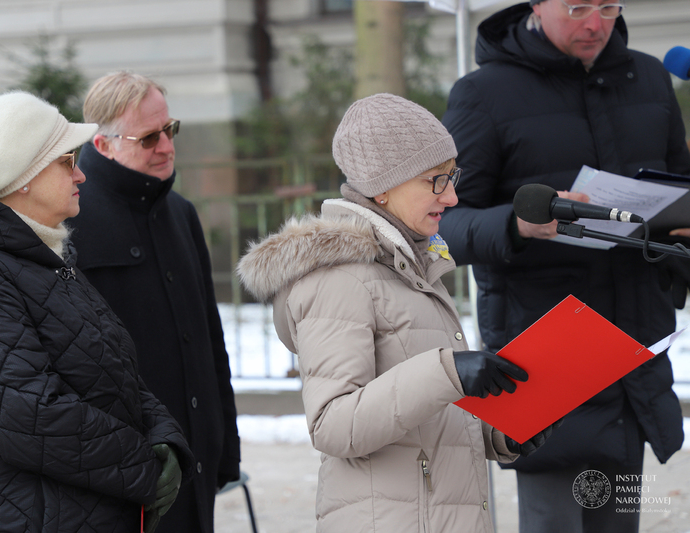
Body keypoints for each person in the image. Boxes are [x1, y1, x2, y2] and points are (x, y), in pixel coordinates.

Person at [237, 93, 558, 533]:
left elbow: (420, 415)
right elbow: (334, 425)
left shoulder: (410, 265)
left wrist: (499, 433)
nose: (453, 196)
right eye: (435, 180)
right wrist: (448, 371)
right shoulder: (339, 279)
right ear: (382, 187)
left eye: (452, 176)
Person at [438, 1, 690, 531]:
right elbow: (442, 227)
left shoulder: (647, 77)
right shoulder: (482, 94)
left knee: (619, 523)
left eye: (607, 6)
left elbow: (677, 188)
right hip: (548, 359)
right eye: (576, 7)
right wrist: (518, 224)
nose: (595, 23)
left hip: (633, 357)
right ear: (536, 5)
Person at [0, 91, 195, 533]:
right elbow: (28, 418)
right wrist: (146, 467)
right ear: (22, 175)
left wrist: (165, 439)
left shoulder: (40, 258)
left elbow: (115, 370)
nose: (80, 174)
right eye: (66, 161)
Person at [70, 71, 241, 533]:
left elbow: (208, 336)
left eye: (170, 130)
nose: (166, 147)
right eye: (148, 138)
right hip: (123, 470)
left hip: (195, 456)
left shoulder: (181, 213)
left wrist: (223, 445)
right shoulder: (71, 218)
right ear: (102, 145)